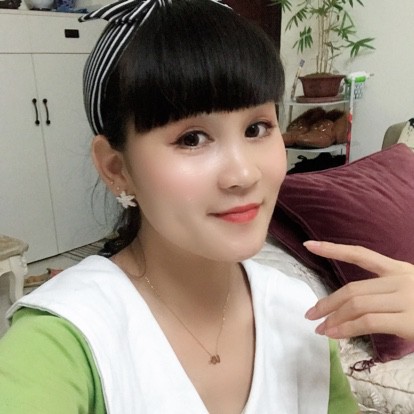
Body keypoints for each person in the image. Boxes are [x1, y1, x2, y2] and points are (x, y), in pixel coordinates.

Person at [0, 0, 360, 412]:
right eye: (192, 139)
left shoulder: (299, 312)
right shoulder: (65, 337)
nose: (243, 174)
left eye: (257, 128)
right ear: (117, 168)